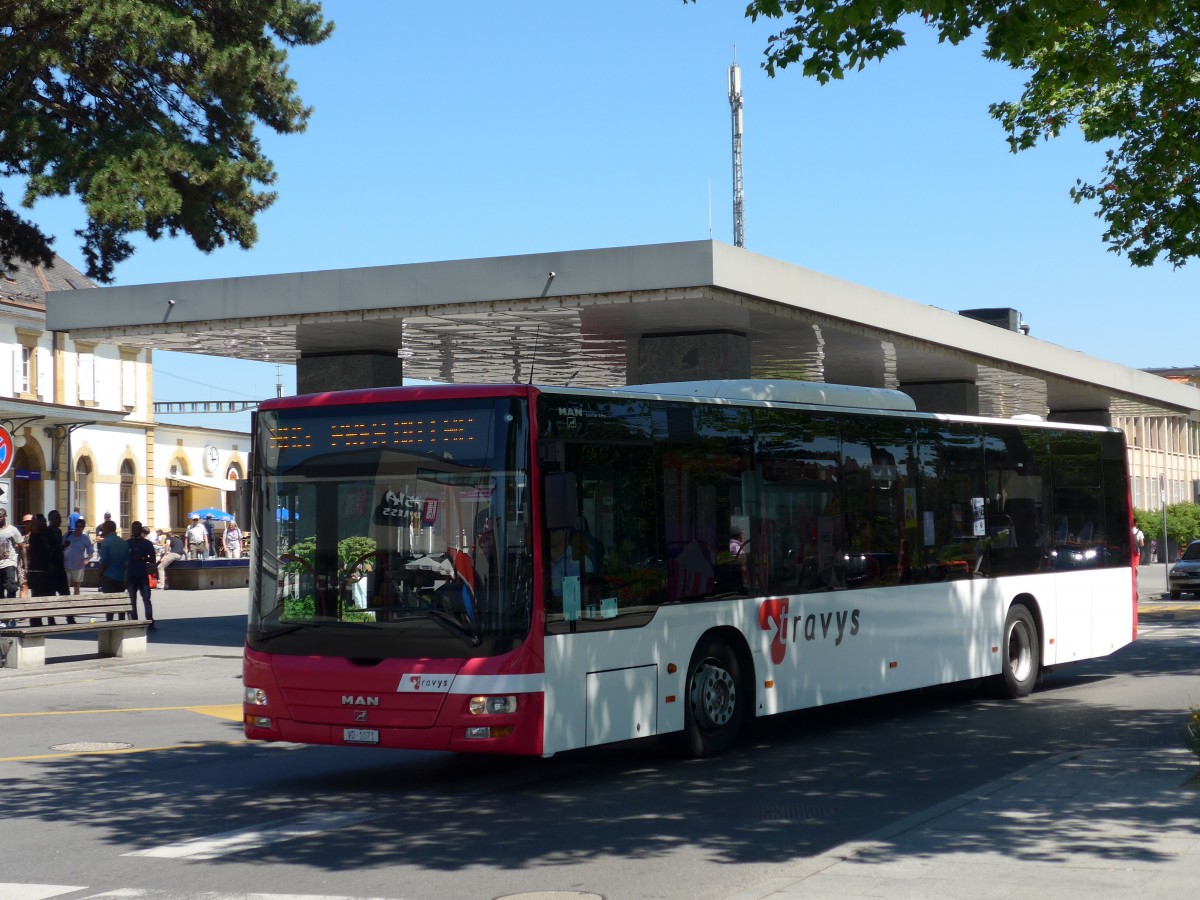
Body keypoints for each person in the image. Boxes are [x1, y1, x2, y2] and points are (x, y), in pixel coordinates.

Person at [125, 520, 156, 630]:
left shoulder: (147, 543)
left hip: (142, 574)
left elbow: (153, 559)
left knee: (147, 600)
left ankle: (150, 622)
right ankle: (134, 623)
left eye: (137, 529)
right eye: (134, 529)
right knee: (132, 601)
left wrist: (142, 558)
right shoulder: (127, 543)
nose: (135, 531)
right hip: (131, 575)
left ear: (141, 530)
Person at [63, 517, 94, 595]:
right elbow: (60, 547)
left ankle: (76, 603)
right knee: (66, 587)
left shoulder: (85, 538)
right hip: (66, 565)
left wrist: (87, 559)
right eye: (77, 526)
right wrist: (64, 546)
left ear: (83, 528)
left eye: (80, 526)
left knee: (77, 588)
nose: (78, 528)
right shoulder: (67, 535)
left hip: (78, 566)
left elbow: (90, 553)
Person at [97, 519, 128, 595]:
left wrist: (99, 574)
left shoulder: (106, 542)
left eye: (104, 529)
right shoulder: (123, 542)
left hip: (109, 577)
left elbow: (104, 561)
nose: (103, 531)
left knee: (109, 602)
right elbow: (126, 562)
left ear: (107, 529)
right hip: (121, 578)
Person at [0, 508, 24, 599]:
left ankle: (12, 604)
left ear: (5, 516)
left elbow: (22, 546)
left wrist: (24, 564)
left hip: (9, 561)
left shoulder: (12, 529)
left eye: (1, 517)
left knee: (10, 585)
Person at [46, 509, 70, 596]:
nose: (59, 520)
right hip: (52, 568)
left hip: (60, 566)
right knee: (51, 593)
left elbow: (58, 547)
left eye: (60, 518)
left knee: (65, 593)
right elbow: (47, 549)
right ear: (50, 519)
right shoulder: (47, 532)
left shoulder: (59, 532)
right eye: (57, 518)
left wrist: (64, 546)